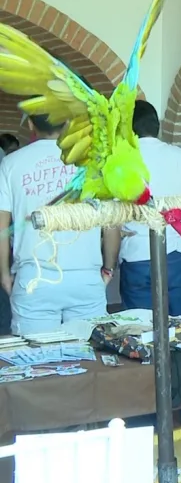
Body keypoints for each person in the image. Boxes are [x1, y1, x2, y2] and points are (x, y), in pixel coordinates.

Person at [0, 114, 118, 334]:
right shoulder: (93, 160)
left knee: (36, 359)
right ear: (67, 122)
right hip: (86, 276)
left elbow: (2, 227)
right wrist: (108, 269)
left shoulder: (11, 163)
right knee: (91, 357)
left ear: (30, 124)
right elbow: (111, 222)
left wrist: (5, 276)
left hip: (34, 278)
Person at [115, 101, 181, 318]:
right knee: (178, 331)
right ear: (157, 126)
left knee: (139, 334)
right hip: (172, 256)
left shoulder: (118, 161)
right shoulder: (180, 155)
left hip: (135, 257)